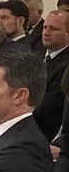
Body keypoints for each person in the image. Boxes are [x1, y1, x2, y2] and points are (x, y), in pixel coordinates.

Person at [34, 10, 69, 140]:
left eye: (54, 29)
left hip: (46, 131)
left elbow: (49, 106)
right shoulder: (36, 55)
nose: (46, 32)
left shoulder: (66, 66)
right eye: (45, 27)